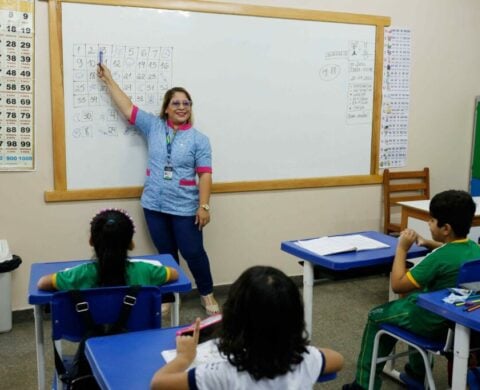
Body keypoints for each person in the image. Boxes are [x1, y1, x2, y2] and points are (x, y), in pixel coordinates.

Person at [97, 64, 219, 315]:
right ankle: (169, 295)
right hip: (154, 205)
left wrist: (204, 206)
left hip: (185, 206)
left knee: (193, 253)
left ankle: (207, 294)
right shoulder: (153, 126)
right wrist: (108, 79)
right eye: (176, 103)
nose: (182, 107)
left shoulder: (199, 139)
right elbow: (127, 107)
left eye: (186, 103)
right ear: (166, 108)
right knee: (165, 255)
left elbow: (205, 175)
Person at [343, 189, 480, 390]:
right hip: (459, 322)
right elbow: (451, 252)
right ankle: (418, 372)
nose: (428, 223)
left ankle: (364, 384)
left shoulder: (438, 258)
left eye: (432, 220)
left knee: (377, 316)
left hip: (433, 321)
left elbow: (398, 284)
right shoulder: (475, 249)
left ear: (446, 228)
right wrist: (429, 243)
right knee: (414, 299)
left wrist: (401, 248)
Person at [150, 265, 344, 389]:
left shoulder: (220, 373)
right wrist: (292, 347)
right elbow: (338, 360)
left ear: (233, 318)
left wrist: (184, 357)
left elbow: (159, 383)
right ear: (294, 318)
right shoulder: (305, 360)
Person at [37, 208, 179, 290]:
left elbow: (42, 283)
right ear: (131, 243)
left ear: (91, 241)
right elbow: (174, 274)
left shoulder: (80, 274)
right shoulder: (145, 270)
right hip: (139, 337)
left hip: (93, 339)